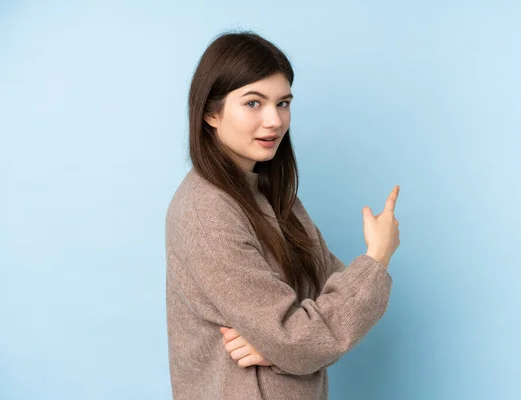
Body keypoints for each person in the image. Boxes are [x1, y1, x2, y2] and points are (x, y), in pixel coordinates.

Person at [165, 30, 401, 400]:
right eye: (254, 103)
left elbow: (331, 310)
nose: (275, 120)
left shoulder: (273, 196)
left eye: (283, 103)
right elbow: (306, 335)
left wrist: (278, 350)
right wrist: (377, 256)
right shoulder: (205, 212)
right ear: (211, 112)